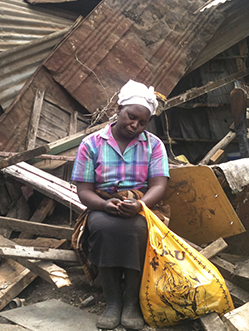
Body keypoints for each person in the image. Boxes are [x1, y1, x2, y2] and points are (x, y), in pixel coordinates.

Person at [71, 80, 169, 330]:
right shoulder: (91, 144)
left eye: (142, 122)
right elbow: (84, 191)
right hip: (102, 204)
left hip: (140, 206)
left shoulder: (154, 145)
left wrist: (140, 205)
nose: (134, 125)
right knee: (104, 228)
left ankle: (131, 302)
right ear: (118, 109)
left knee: (138, 230)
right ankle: (112, 301)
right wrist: (105, 206)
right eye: (131, 117)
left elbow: (158, 185)